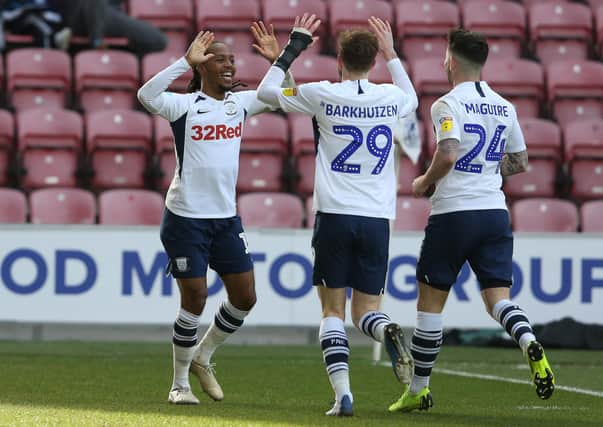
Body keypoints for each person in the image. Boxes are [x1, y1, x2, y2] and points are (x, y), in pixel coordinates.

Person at [257, 14, 419, 417]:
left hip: (335, 215)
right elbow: (413, 98)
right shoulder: (392, 98)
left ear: (339, 60)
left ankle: (343, 395)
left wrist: (288, 52)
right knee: (368, 312)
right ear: (374, 61)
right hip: (377, 218)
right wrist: (392, 51)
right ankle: (386, 330)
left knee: (332, 311)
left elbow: (268, 91)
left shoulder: (324, 94)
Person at [388, 28, 555, 413]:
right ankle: (527, 337)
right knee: (498, 299)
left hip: (454, 214)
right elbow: (520, 161)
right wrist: (483, 169)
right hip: (495, 212)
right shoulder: (505, 106)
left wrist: (423, 183)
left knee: (430, 305)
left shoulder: (446, 104)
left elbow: (447, 153)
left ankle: (419, 389)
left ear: (451, 60)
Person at [137, 25, 295, 405]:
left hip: (225, 218)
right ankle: (179, 384)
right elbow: (146, 94)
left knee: (245, 297)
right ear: (202, 65)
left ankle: (203, 356)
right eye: (220, 59)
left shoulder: (239, 104)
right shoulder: (183, 105)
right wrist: (182, 62)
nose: (229, 65)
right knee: (195, 297)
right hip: (185, 218)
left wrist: (280, 61)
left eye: (232, 60)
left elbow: (289, 95)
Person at [47, 0, 167, 55]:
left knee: (158, 40)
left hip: (109, 14)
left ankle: (119, 53)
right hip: (80, 16)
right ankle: (96, 42)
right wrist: (96, 39)